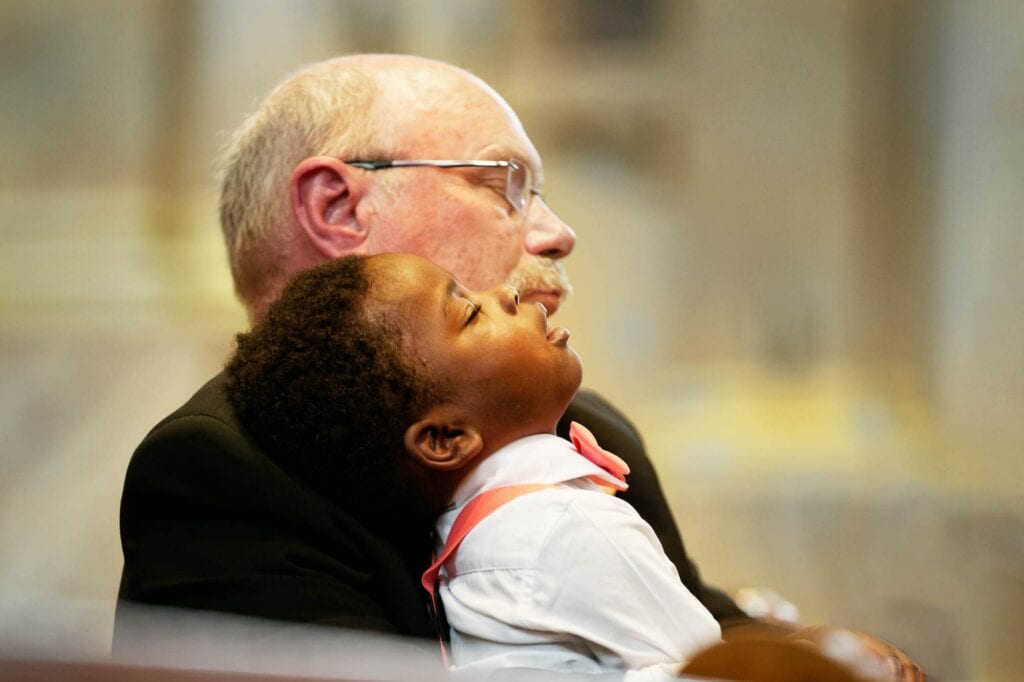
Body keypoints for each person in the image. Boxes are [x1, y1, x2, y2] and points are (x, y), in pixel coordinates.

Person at [116, 54, 923, 681]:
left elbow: (695, 628)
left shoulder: (584, 429)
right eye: (506, 185)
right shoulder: (223, 473)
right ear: (338, 208)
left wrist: (821, 652)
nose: (558, 232)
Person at [224, 252, 722, 679]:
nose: (505, 293)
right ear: (446, 439)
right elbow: (719, 667)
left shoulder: (474, 542)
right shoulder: (565, 528)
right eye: (468, 312)